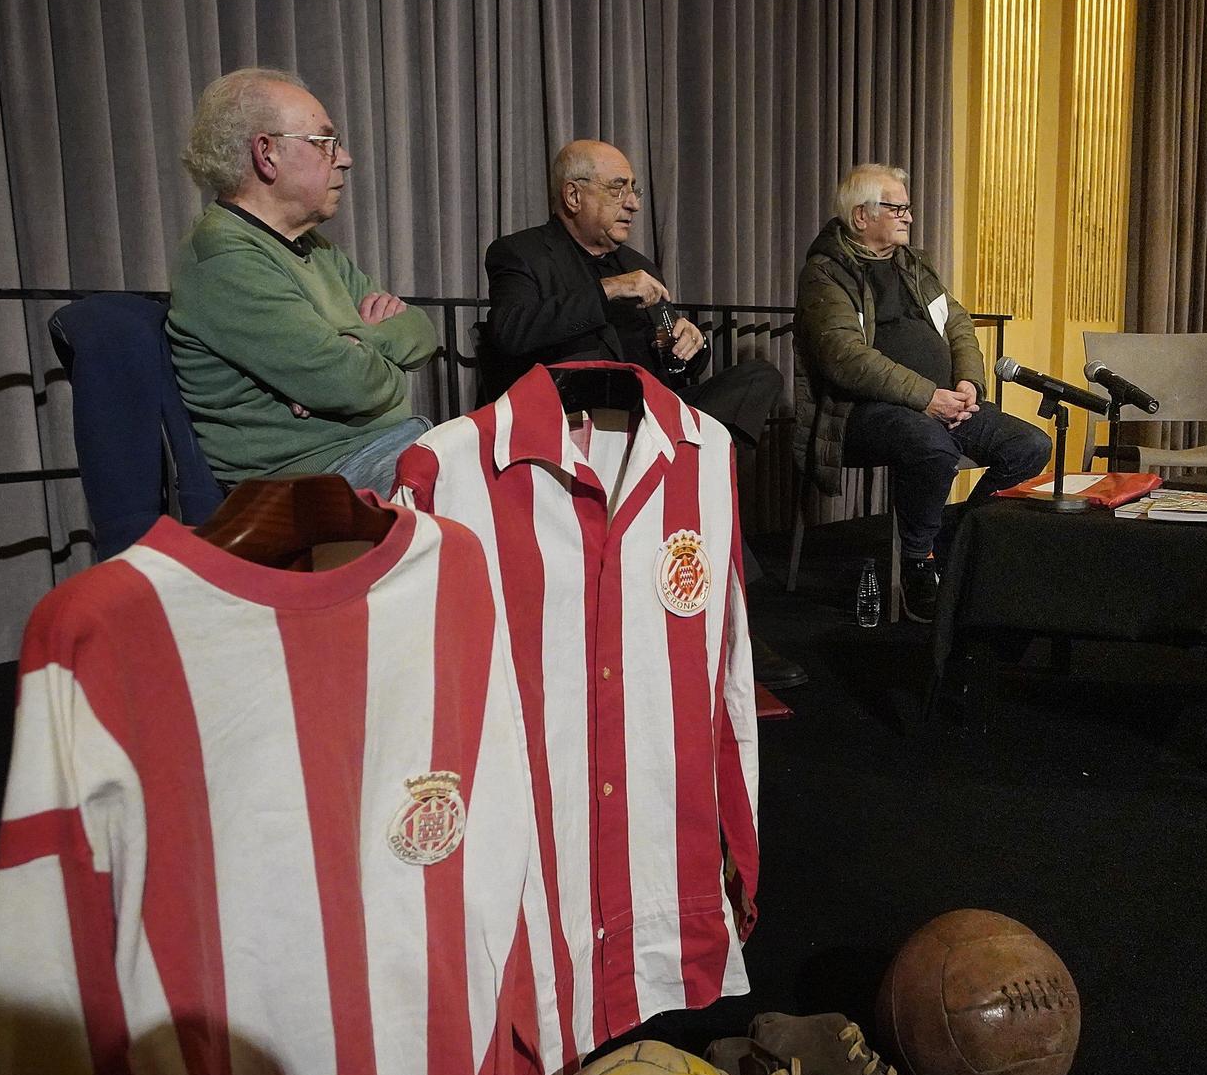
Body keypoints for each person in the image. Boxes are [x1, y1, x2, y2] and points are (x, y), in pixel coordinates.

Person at [484, 139, 804, 689]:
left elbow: (678, 370)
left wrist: (686, 343)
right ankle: (733, 625)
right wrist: (606, 290)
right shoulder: (521, 254)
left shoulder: (639, 265)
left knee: (760, 378)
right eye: (618, 188)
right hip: (579, 426)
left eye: (634, 189)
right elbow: (511, 334)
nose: (633, 201)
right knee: (677, 466)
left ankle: (688, 481)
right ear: (573, 195)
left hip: (655, 421)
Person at [794, 164, 1050, 622]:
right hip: (863, 412)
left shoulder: (915, 265)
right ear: (860, 217)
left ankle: (953, 543)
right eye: (896, 207)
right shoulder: (825, 273)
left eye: (907, 208)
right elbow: (845, 358)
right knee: (931, 447)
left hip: (943, 401)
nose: (909, 217)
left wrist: (969, 382)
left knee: (1030, 445)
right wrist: (927, 396)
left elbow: (959, 326)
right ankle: (917, 562)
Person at [168, 67, 437, 496]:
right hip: (310, 483)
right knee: (500, 489)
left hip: (381, 448)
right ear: (267, 153)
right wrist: (373, 358)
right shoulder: (223, 256)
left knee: (530, 462)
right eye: (325, 144)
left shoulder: (313, 246)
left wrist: (355, 341)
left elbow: (422, 333)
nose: (344, 158)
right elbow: (349, 383)